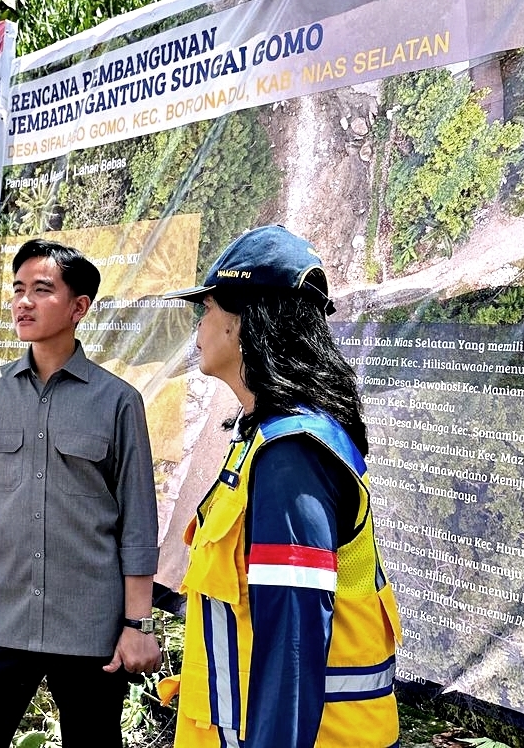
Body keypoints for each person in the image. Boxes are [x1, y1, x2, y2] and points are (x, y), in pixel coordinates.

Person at [157, 225, 402, 747]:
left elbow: (292, 651)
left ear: (243, 320)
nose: (198, 324)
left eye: (206, 308)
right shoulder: (263, 439)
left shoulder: (292, 458)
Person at [0, 238, 161, 748]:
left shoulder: (117, 402)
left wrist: (138, 623)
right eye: (18, 290)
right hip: (1, 619)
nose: (23, 302)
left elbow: (138, 522)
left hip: (89, 626)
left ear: (79, 307)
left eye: (42, 290)